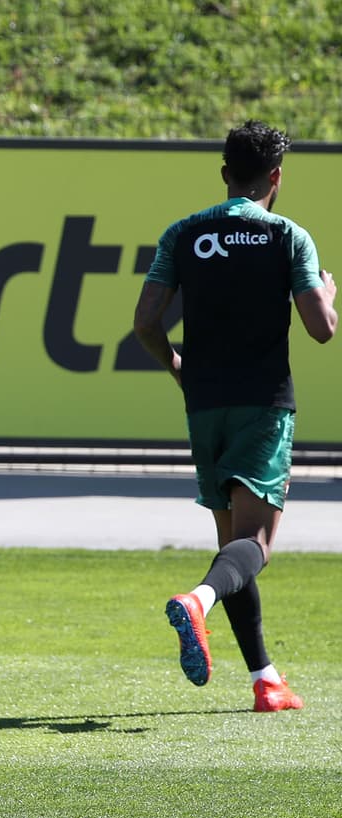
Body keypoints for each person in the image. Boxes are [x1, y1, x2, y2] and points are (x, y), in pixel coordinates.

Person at [133, 120, 336, 713]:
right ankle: (198, 602)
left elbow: (145, 323)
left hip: (204, 404)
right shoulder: (289, 237)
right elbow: (321, 330)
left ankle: (265, 681)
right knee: (256, 545)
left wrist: (177, 365)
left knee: (232, 548)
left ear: (225, 174)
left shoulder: (185, 232)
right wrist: (328, 293)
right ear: (276, 177)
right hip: (263, 402)